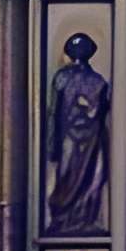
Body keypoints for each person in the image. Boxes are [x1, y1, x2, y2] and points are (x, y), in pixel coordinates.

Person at [45, 30, 110, 234]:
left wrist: (51, 143)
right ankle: (71, 219)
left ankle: (77, 219)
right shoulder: (96, 80)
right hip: (84, 138)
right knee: (82, 177)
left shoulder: (64, 78)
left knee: (81, 177)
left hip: (78, 138)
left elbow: (53, 112)